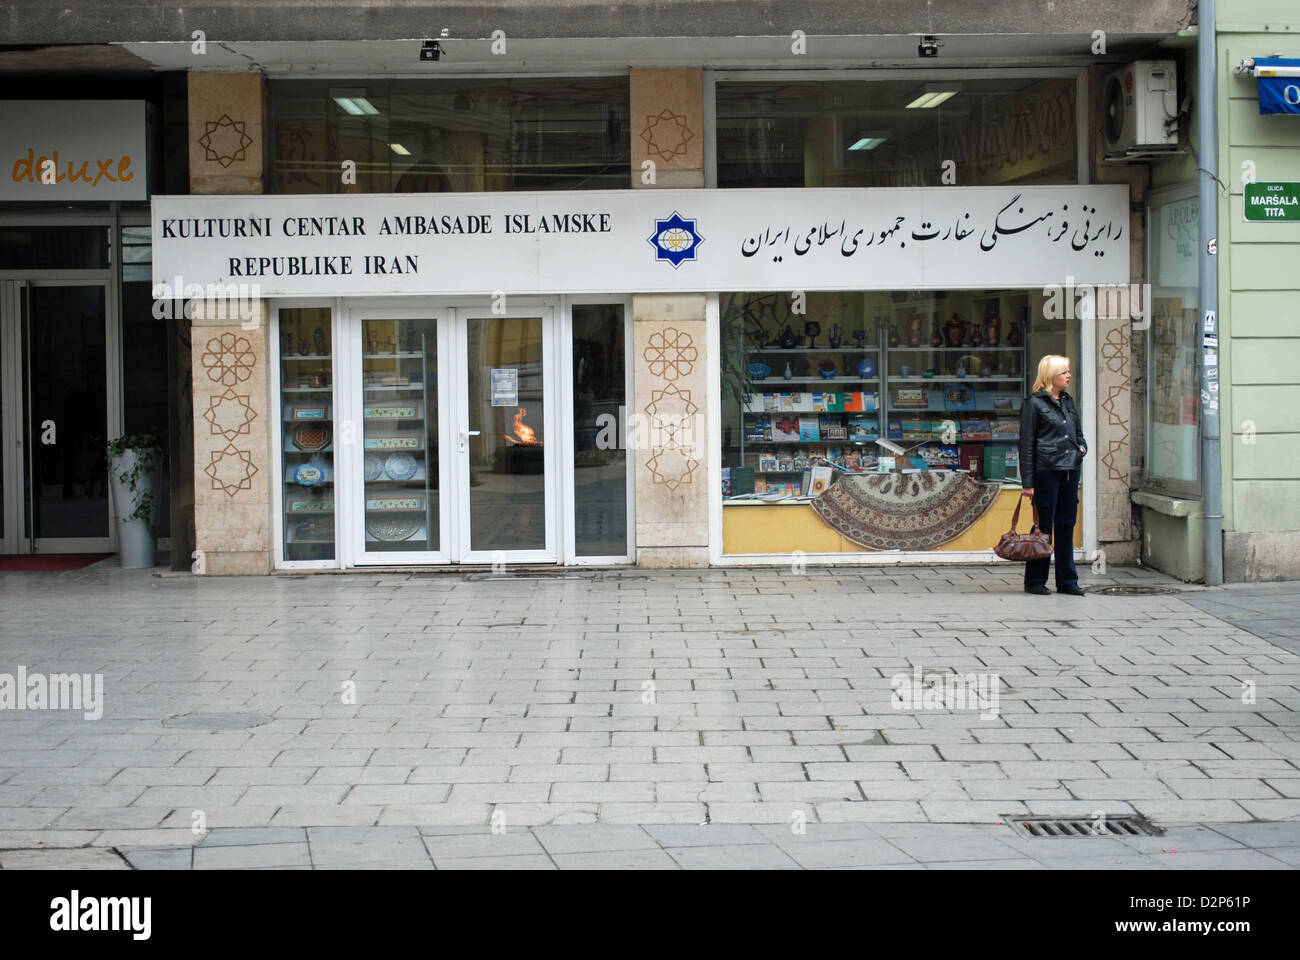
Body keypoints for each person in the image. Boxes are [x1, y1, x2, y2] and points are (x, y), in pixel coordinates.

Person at [1018, 354, 1087, 596]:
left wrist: (1082, 448)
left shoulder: (1068, 401)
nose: (1068, 375)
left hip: (1070, 469)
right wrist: (1028, 482)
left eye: (1068, 371)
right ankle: (1035, 580)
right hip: (1045, 470)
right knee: (1043, 526)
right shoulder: (1034, 403)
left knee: (1067, 522)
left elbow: (1077, 432)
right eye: (1063, 372)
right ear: (1050, 376)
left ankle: (1068, 580)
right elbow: (1026, 444)